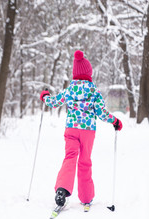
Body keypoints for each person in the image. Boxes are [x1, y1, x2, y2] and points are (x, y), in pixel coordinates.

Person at [40, 50, 123, 207]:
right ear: (88, 73)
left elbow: (54, 102)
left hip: (71, 129)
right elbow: (101, 113)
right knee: (84, 161)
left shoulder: (70, 90)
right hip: (88, 131)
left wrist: (45, 97)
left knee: (70, 157)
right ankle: (86, 197)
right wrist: (115, 121)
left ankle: (62, 189)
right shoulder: (94, 92)